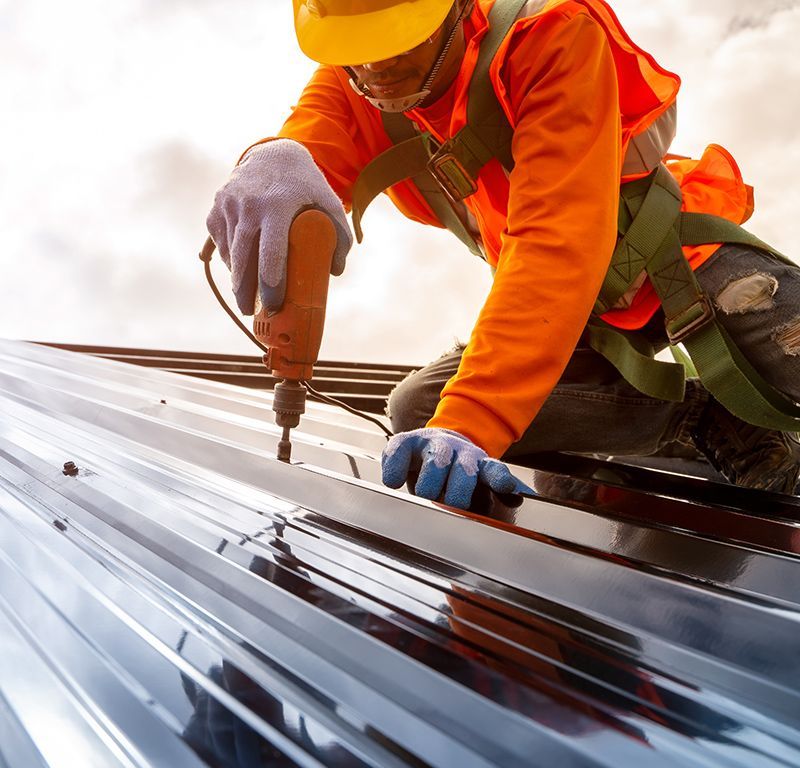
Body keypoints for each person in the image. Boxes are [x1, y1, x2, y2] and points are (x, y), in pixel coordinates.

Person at [206, 0, 800, 510]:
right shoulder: (356, 81)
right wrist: (273, 159)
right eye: (357, 51)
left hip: (674, 264)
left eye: (398, 43)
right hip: (571, 322)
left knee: (783, 341)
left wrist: (474, 422)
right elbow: (312, 141)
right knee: (418, 409)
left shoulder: (548, 34)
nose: (375, 68)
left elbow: (555, 241)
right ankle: (705, 417)